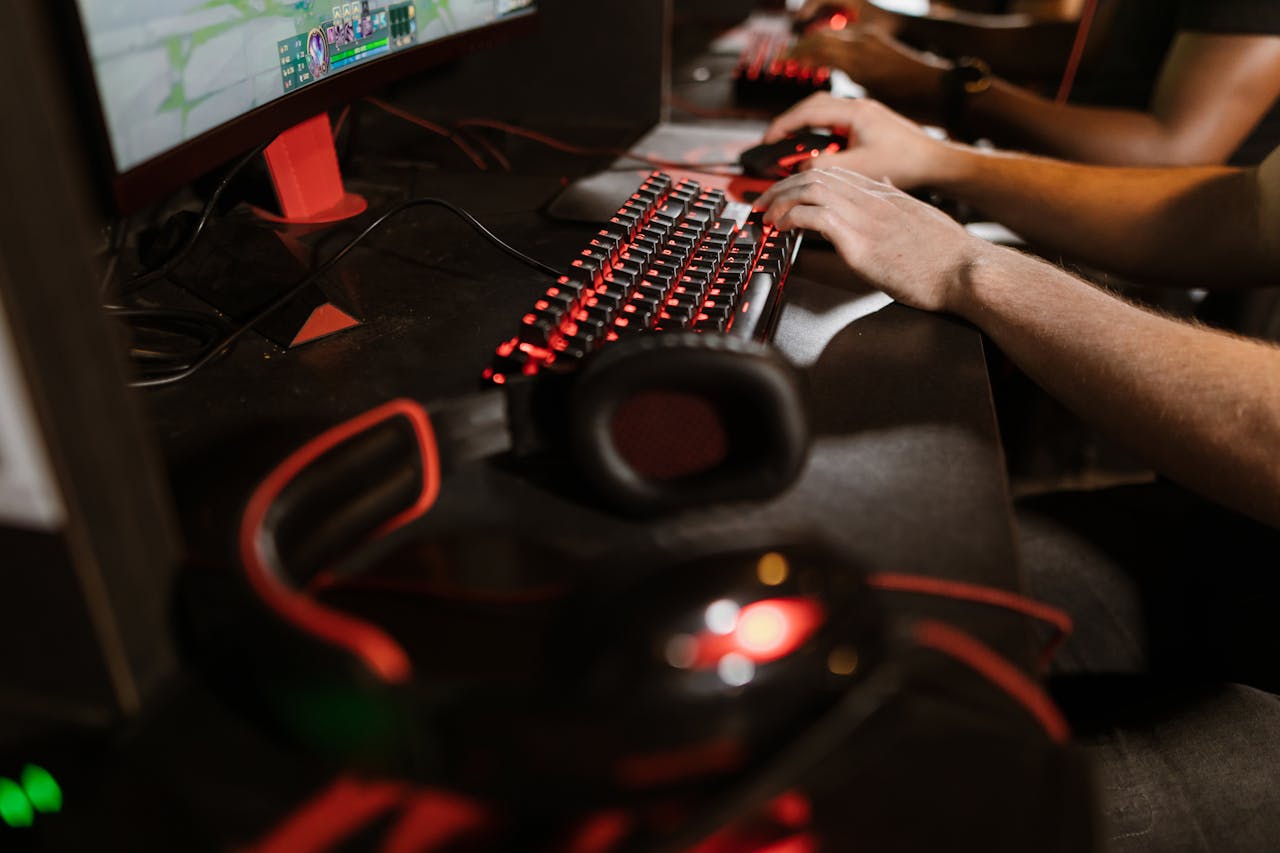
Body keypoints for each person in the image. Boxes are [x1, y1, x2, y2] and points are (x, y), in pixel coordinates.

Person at [752, 103, 1280, 850]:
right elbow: (1246, 213)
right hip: (1246, 555)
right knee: (835, 608)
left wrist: (971, 269)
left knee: (884, 808)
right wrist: (944, 160)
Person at [789, 0, 1280, 166]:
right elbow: (1084, 48)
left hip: (1156, 260)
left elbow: (1173, 152)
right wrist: (902, 26)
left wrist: (941, 90)